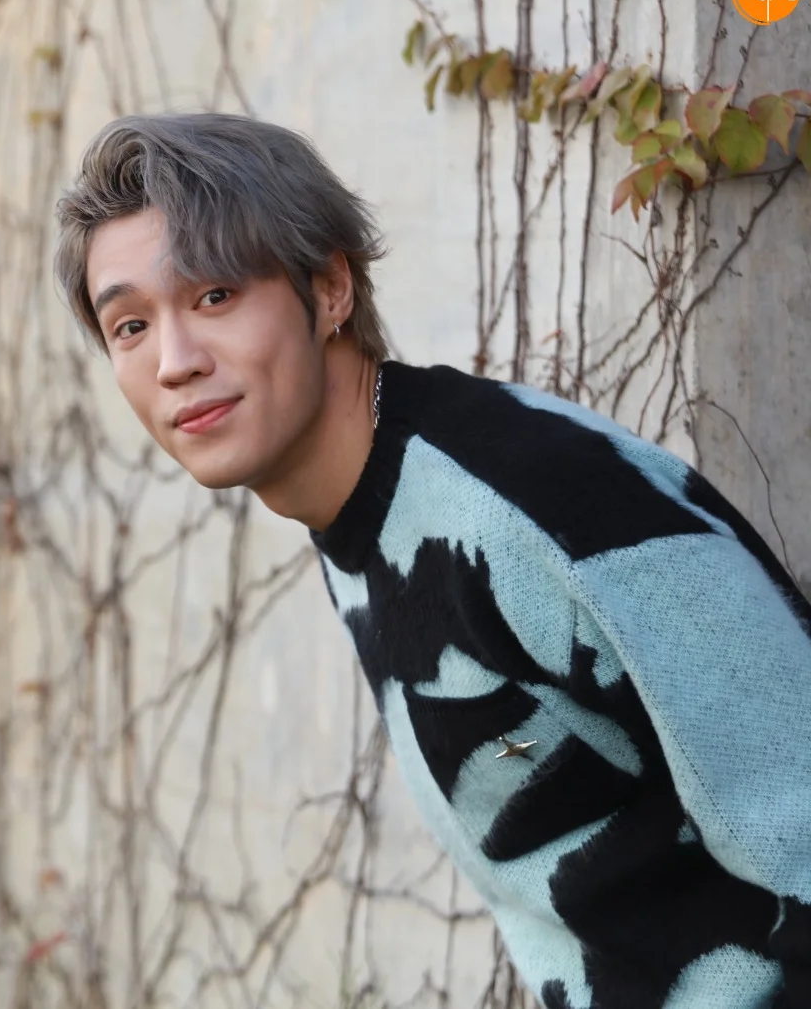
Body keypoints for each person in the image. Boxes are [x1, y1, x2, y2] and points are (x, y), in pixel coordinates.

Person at [52, 111, 811, 1008]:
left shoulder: (543, 503)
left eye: (215, 295)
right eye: (130, 326)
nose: (174, 362)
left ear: (330, 288)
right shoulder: (360, 505)